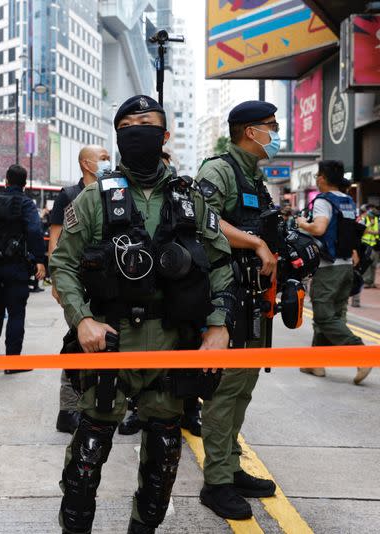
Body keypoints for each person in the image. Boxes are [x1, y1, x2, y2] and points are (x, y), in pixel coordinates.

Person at [50, 95, 234, 534]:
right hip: (109, 345)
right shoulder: (95, 198)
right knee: (88, 453)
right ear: (118, 137)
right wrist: (82, 320)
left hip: (172, 344)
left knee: (164, 452)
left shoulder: (190, 199)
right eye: (128, 125)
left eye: (146, 122)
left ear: (164, 135)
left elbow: (222, 264)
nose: (137, 130)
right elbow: (63, 264)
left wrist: (219, 324)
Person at [195, 100, 282, 520]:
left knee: (243, 387)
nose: (276, 133)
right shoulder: (219, 170)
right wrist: (256, 244)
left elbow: (261, 221)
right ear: (251, 131)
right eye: (272, 126)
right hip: (225, 295)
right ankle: (217, 482)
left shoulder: (253, 174)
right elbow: (201, 220)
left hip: (252, 296)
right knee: (224, 389)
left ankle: (229, 465)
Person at [117, 150, 204, 438]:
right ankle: (136, 411)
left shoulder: (184, 198)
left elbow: (214, 258)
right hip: (124, 317)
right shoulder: (111, 195)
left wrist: (217, 322)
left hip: (175, 314)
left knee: (169, 407)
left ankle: (190, 411)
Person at [48, 144, 110, 434]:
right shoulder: (69, 196)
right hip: (76, 282)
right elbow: (56, 240)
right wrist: (57, 283)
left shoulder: (111, 193)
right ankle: (68, 409)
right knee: (75, 342)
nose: (108, 162)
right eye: (103, 158)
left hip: (104, 283)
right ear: (86, 164)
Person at [296, 160, 371, 384]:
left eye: (318, 175)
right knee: (332, 315)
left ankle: (361, 354)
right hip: (347, 267)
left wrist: (302, 223)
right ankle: (315, 363)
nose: (317, 179)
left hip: (328, 268)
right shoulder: (348, 200)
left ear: (322, 178)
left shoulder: (323, 201)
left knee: (324, 316)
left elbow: (318, 228)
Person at [0, 164, 47, 370]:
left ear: (6, 180)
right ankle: (12, 363)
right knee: (16, 314)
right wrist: (40, 259)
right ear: (24, 183)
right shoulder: (26, 204)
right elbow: (34, 231)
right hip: (17, 267)